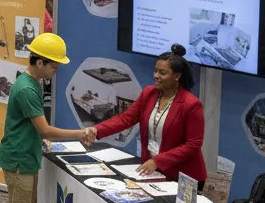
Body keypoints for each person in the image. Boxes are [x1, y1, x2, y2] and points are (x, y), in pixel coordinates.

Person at [0, 33, 76, 203]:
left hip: (22, 155)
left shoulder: (30, 83)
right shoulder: (28, 89)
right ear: (40, 62)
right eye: (54, 65)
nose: (56, 70)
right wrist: (81, 134)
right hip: (20, 159)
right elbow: (44, 130)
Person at [81, 44, 206, 184]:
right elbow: (125, 119)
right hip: (153, 171)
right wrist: (96, 130)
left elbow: (193, 145)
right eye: (155, 71)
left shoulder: (191, 104)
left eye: (162, 73)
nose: (156, 76)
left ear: (177, 76)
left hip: (182, 176)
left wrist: (158, 161)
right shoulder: (149, 93)